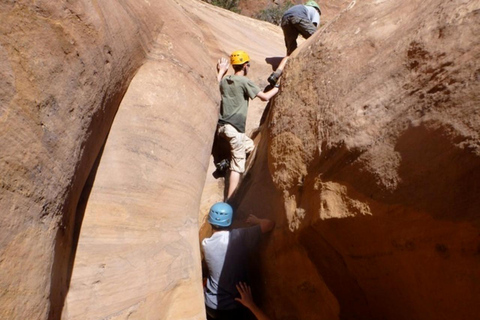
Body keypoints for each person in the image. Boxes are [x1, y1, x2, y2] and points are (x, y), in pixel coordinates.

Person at [216, 51, 279, 200]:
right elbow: (265, 97)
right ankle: (229, 202)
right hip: (235, 130)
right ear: (245, 66)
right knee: (237, 168)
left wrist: (221, 72)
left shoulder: (225, 80)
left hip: (223, 128)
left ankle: (226, 164)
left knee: (251, 147)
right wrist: (279, 87)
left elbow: (216, 84)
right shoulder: (244, 81)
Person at [202, 202, 275, 320]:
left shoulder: (205, 244)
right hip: (236, 306)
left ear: (210, 221)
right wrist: (256, 221)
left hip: (211, 305)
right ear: (230, 221)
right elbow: (269, 224)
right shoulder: (239, 236)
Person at [267, 1, 322, 86]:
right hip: (298, 17)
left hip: (285, 19)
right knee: (317, 37)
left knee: (291, 53)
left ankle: (276, 75)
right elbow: (314, 30)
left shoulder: (301, 7)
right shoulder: (315, 11)